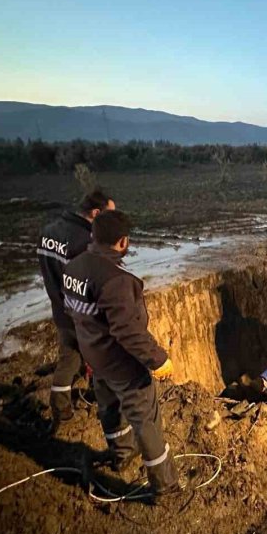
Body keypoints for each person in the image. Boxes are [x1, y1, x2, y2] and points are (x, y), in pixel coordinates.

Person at [62, 210, 180, 497]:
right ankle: (165, 485)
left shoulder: (72, 268)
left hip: (95, 358)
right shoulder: (117, 281)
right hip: (123, 366)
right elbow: (128, 331)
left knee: (110, 409)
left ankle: (122, 454)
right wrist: (158, 359)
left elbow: (73, 313)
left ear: (94, 236)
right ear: (123, 242)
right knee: (145, 419)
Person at [37, 188, 115, 425]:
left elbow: (50, 274)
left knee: (69, 357)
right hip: (83, 315)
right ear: (95, 212)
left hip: (61, 310)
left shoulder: (48, 232)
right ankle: (107, 410)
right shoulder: (85, 242)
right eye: (109, 215)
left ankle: (61, 410)